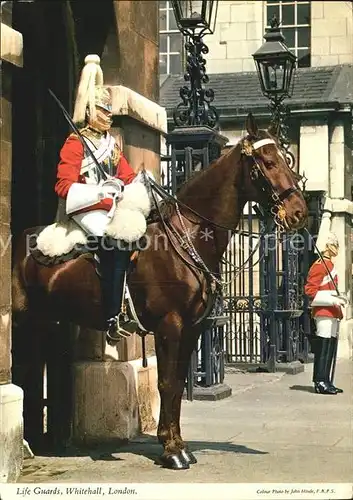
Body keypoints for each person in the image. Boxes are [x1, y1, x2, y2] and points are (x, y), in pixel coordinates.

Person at [55, 54, 140, 341]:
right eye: (104, 111)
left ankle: (132, 307)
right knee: (115, 244)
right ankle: (111, 317)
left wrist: (140, 184)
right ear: (91, 111)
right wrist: (99, 191)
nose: (110, 115)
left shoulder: (111, 145)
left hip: (109, 207)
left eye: (110, 110)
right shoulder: (75, 143)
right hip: (85, 208)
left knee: (140, 237)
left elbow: (127, 176)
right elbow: (64, 186)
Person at [304, 232, 347, 395]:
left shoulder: (329, 265)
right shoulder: (320, 265)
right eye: (334, 245)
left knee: (329, 347)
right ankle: (320, 381)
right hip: (324, 311)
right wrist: (332, 300)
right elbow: (310, 290)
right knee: (323, 347)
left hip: (332, 312)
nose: (336, 248)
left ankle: (327, 380)